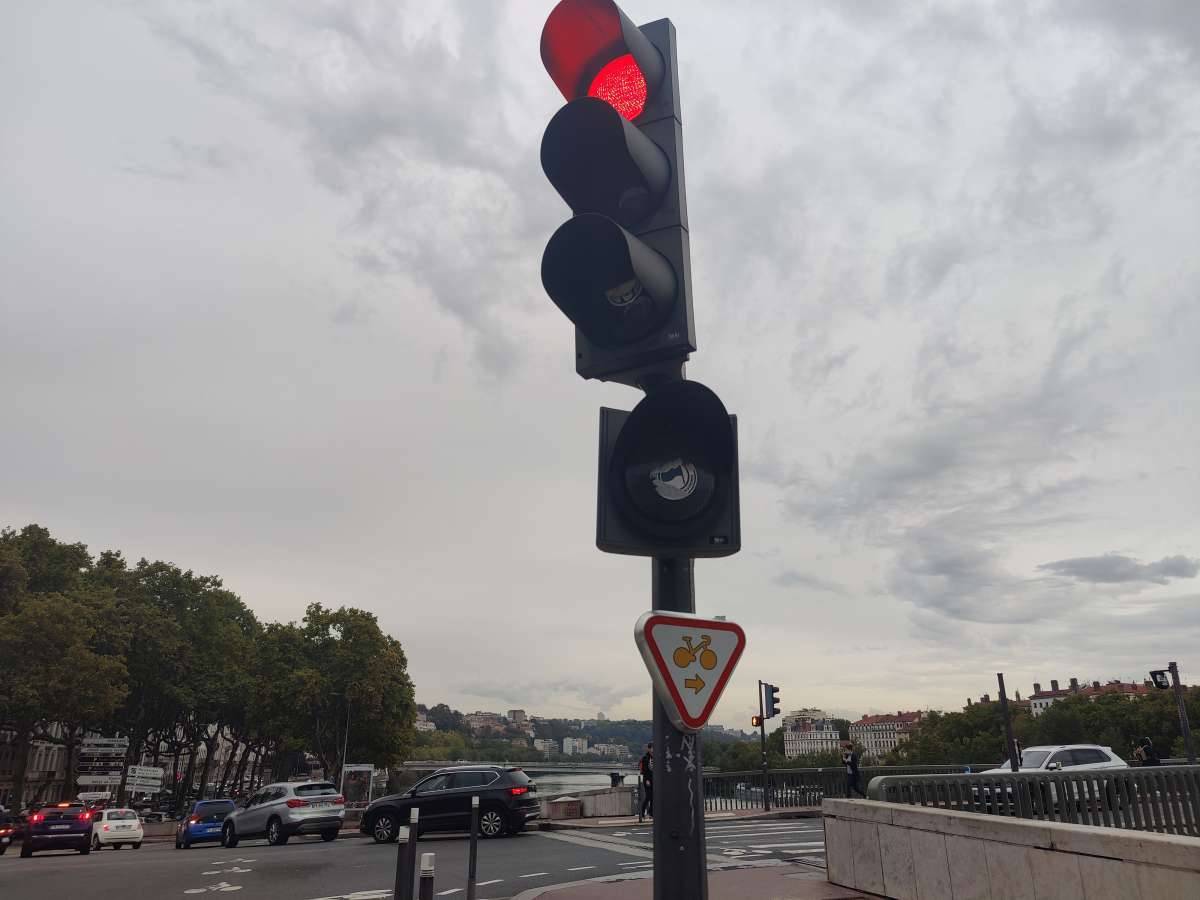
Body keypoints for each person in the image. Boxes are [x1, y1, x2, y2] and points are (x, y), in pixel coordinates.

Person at [638, 742, 653, 821]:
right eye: (652, 748)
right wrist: (646, 780)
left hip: (654, 779)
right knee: (648, 797)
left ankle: (651, 814)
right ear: (649, 749)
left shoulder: (656, 757)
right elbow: (644, 770)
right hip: (647, 779)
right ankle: (642, 812)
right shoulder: (645, 758)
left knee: (654, 797)